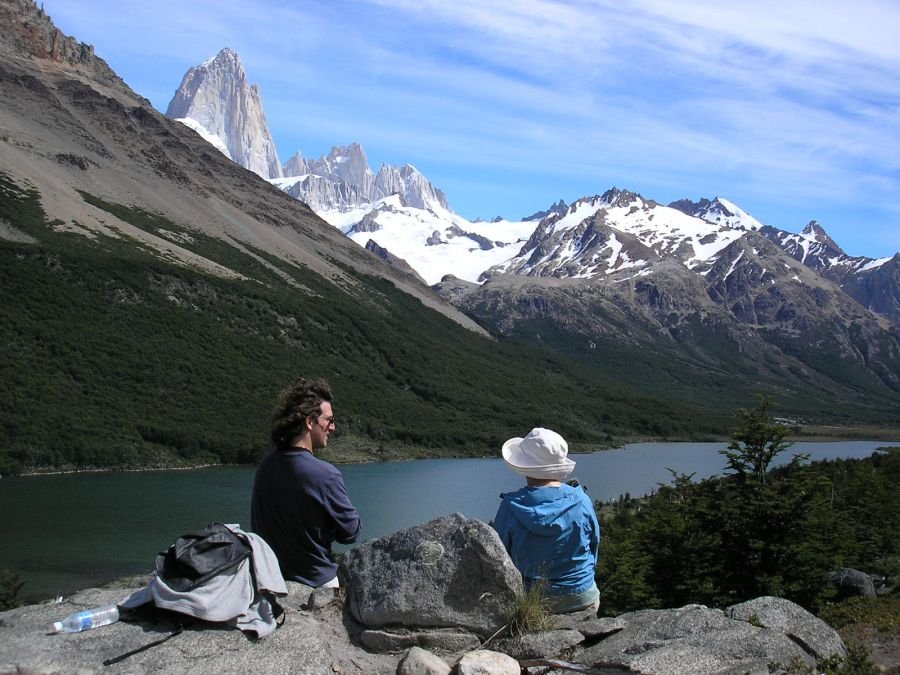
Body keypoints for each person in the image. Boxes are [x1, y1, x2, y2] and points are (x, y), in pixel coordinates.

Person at [251, 377, 361, 588]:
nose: (333, 427)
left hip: (272, 581)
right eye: (329, 420)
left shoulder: (265, 466)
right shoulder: (325, 474)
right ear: (310, 422)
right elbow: (351, 532)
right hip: (318, 582)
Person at [492, 427, 600, 613]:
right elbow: (594, 545)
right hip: (582, 595)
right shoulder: (582, 501)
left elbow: (500, 557)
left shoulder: (511, 507)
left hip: (533, 601)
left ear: (524, 466)